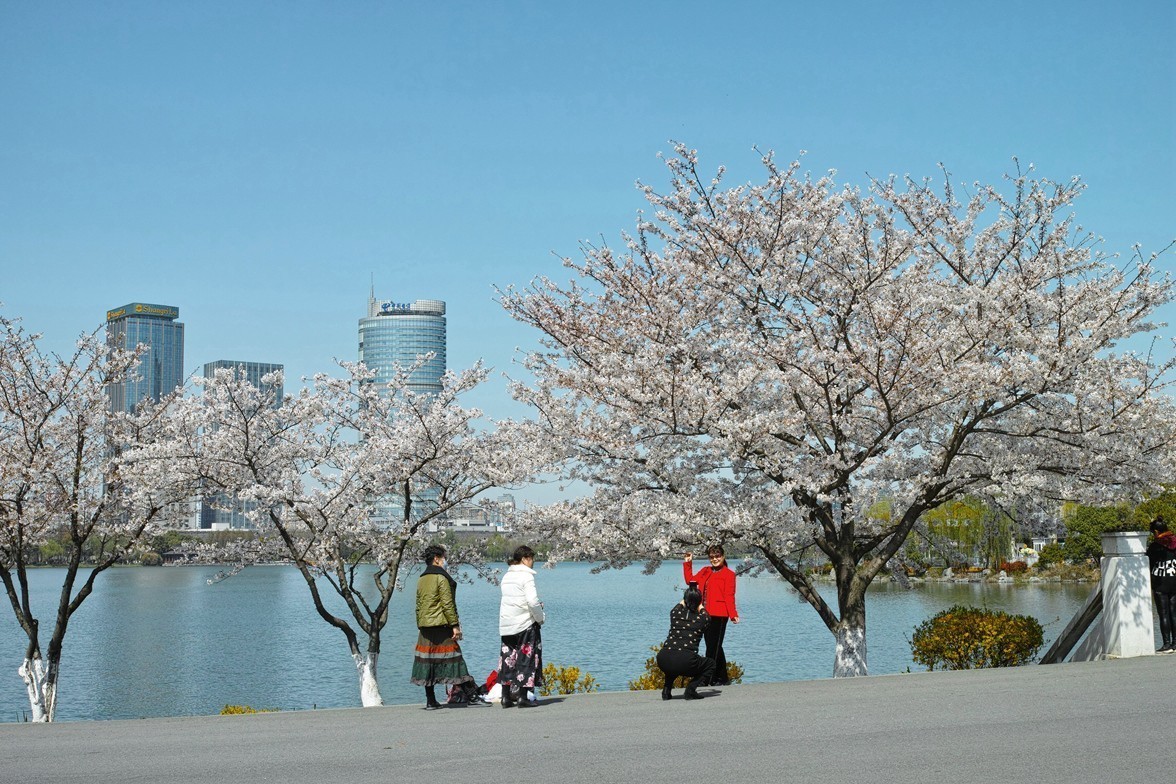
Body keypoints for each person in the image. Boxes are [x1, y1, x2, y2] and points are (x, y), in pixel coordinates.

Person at [410, 544, 481, 709]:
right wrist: (455, 625)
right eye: (444, 557)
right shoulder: (441, 578)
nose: (445, 561)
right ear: (436, 559)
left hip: (425, 627)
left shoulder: (421, 579)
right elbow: (447, 604)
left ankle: (430, 700)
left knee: (428, 662)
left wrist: (420, 623)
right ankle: (472, 695)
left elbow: (418, 605)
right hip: (441, 625)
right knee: (455, 659)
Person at [683, 545, 739, 685]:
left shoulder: (729, 574)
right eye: (712, 557)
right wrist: (688, 563)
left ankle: (707, 678)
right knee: (714, 646)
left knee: (713, 647)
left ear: (723, 556)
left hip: (719, 615)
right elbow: (690, 581)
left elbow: (729, 596)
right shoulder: (705, 571)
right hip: (704, 614)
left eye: (717, 556)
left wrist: (733, 614)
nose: (715, 559)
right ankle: (722, 678)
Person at [498, 544, 545, 708]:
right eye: (532, 559)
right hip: (524, 623)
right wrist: (540, 617)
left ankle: (505, 696)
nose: (532, 563)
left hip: (506, 624)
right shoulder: (526, 576)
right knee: (526, 658)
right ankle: (522, 697)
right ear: (525, 559)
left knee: (507, 659)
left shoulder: (506, 576)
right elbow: (532, 601)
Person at [656, 583, 716, 700]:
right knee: (711, 664)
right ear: (700, 602)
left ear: (684, 600)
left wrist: (686, 597)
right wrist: (700, 604)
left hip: (663, 658)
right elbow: (706, 614)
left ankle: (666, 690)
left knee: (673, 660)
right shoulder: (703, 619)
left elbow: (679, 605)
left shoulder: (675, 614)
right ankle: (690, 690)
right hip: (686, 660)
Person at [1148, 517, 1176, 652]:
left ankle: (1166, 644)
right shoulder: (1175, 541)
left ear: (1156, 531)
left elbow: (1148, 563)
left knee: (1163, 613)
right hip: (1174, 580)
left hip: (1160, 583)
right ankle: (1175, 643)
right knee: (1174, 613)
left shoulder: (1155, 546)